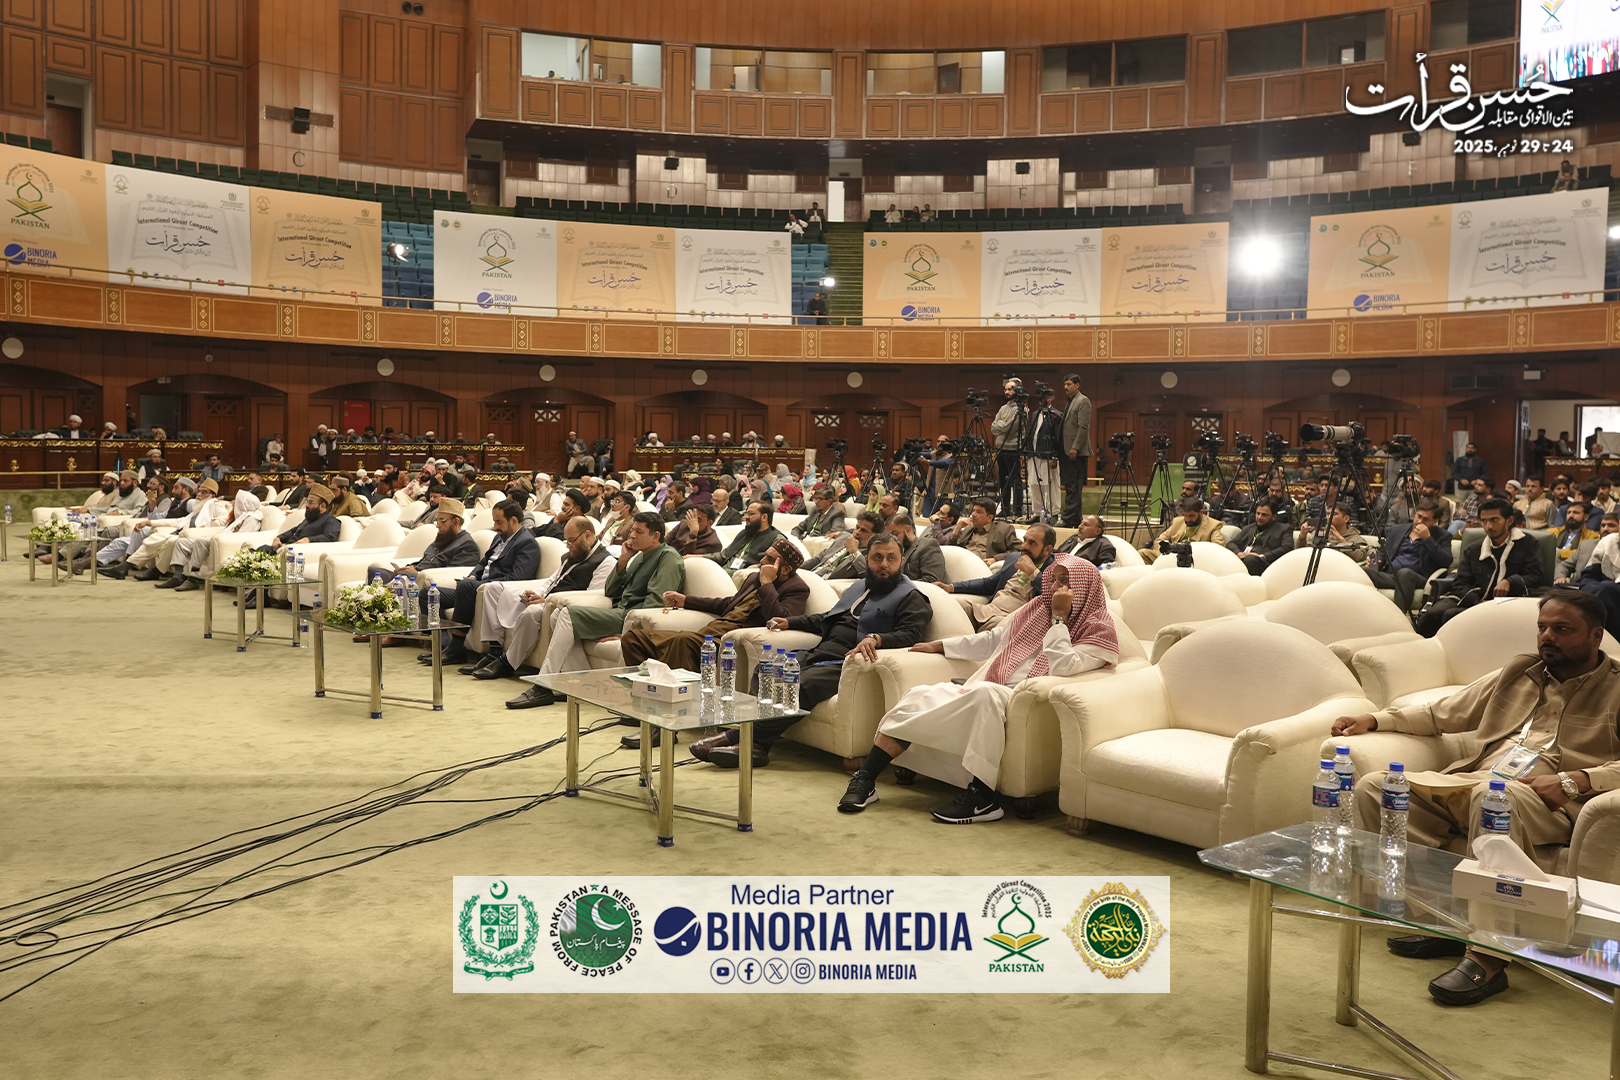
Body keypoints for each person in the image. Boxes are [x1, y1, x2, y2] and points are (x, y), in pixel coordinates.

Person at [1333, 591, 1620, 1006]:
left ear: (1595, 636)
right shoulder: (1520, 671)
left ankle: (1488, 955)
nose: (1547, 637)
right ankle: (1439, 919)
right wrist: (1375, 719)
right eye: (1542, 627)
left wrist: (1578, 779)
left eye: (1562, 629)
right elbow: (1444, 712)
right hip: (1478, 780)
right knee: (1378, 788)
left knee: (1493, 799)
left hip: (1554, 802)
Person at [839, 555, 1120, 821]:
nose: (1056, 587)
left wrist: (1059, 619)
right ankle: (866, 778)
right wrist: (942, 645)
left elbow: (1063, 666)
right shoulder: (1036, 609)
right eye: (1054, 579)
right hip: (988, 685)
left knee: (986, 695)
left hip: (1023, 700)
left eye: (1065, 581)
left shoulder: (1098, 629)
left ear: (1085, 586)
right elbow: (993, 639)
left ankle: (982, 798)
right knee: (918, 695)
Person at [704, 531, 934, 769]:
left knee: (801, 684)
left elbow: (911, 635)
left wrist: (877, 639)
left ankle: (742, 738)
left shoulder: (912, 597)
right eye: (877, 558)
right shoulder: (860, 587)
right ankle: (756, 746)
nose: (884, 564)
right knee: (766, 670)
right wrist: (791, 622)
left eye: (891, 558)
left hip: (848, 662)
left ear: (902, 561)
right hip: (821, 652)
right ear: (867, 560)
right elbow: (830, 617)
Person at [618, 541, 811, 746]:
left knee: (683, 641)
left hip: (726, 644)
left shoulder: (796, 588)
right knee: (634, 639)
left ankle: (666, 725)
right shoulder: (753, 578)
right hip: (707, 633)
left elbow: (779, 618)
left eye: (770, 559)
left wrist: (767, 584)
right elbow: (729, 604)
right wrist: (686, 600)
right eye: (765, 555)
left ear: (786, 569)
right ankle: (649, 707)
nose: (762, 561)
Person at [517, 513, 685, 707]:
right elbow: (610, 591)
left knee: (567, 614)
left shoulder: (668, 558)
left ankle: (543, 685)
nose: (632, 536)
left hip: (631, 617)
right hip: (619, 612)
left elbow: (657, 603)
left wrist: (626, 633)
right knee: (557, 614)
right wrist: (623, 561)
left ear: (656, 536)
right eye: (632, 530)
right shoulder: (639, 556)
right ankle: (585, 685)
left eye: (639, 532)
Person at [467, 516, 615, 686]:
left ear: (587, 535)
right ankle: (494, 650)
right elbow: (552, 580)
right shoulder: (574, 554)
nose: (569, 545)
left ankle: (507, 663)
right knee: (493, 589)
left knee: (532, 611)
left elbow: (590, 599)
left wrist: (545, 601)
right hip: (546, 600)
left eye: (572, 540)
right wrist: (535, 594)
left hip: (560, 608)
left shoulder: (606, 562)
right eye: (566, 541)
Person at [430, 500, 541, 665]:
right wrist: (473, 576)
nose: (495, 527)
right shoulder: (499, 537)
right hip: (475, 588)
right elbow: (483, 563)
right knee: (429, 594)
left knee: (466, 586)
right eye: (494, 522)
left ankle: (456, 648)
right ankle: (444, 645)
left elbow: (517, 578)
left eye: (499, 522)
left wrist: (482, 584)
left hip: (495, 591)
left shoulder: (527, 543)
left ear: (514, 520)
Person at [1416, 498, 1544, 637]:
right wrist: (1477, 602)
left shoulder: (1528, 544)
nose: (1488, 526)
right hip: (1473, 599)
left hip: (1508, 603)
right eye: (1484, 521)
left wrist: (1510, 581)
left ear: (1509, 521)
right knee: (1432, 615)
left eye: (1494, 520)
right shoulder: (1474, 549)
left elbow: (1536, 576)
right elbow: (1460, 583)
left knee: (1451, 615)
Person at [940, 524, 1057, 631]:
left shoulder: (1057, 570)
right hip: (987, 611)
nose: (1024, 546)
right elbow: (988, 584)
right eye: (1025, 540)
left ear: (1047, 549)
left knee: (993, 629)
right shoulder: (1014, 558)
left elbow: (1053, 598)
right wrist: (951, 587)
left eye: (1032, 543)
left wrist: (1033, 572)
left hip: (1011, 620)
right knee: (950, 605)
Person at [154, 487, 268, 589]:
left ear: (243, 503)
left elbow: (241, 536)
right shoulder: (239, 517)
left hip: (225, 543)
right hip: (218, 540)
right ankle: (177, 576)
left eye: (236, 502)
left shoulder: (252, 518)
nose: (233, 504)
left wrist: (217, 537)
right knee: (182, 542)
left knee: (201, 541)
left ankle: (193, 579)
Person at [1365, 504, 1451, 612]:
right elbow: (1384, 551)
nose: (1419, 521)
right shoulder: (1397, 530)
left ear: (1435, 521)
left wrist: (1428, 539)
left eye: (1425, 519)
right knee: (1363, 571)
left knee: (1405, 573)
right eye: (1418, 516)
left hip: (1418, 577)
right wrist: (1378, 560)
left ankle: (1398, 615)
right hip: (1391, 575)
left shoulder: (1442, 535)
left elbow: (1446, 560)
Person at [1139, 497, 1224, 562]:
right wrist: (1163, 555)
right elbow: (1159, 540)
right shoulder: (1178, 522)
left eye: (1191, 516)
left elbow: (1218, 546)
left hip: (1195, 560)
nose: (1188, 519)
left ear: (1201, 512)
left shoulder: (1213, 525)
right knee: (1142, 553)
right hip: (1171, 557)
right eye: (1185, 515)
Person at [707, 501, 782, 572]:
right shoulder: (744, 533)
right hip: (723, 571)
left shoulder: (777, 539)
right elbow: (723, 556)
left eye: (751, 514)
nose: (745, 517)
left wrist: (758, 567)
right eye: (746, 513)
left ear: (764, 517)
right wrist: (701, 557)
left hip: (746, 576)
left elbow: (778, 563)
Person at [1059, 374, 1093, 528]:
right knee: (1070, 486)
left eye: (1069, 384)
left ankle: (1067, 518)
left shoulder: (1083, 401)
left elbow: (1083, 427)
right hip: (1066, 450)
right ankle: (1075, 519)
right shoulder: (1071, 401)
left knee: (1073, 487)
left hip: (1076, 452)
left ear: (1077, 385)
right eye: (1065, 384)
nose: (1066, 387)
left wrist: (1075, 447)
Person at [990, 379, 1026, 518]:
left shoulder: (1021, 409)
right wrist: (1002, 425)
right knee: (1003, 481)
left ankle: (1017, 510)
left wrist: (1001, 425)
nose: (1007, 392)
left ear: (1017, 390)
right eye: (1005, 389)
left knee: (1015, 481)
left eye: (1010, 389)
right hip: (1001, 448)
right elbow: (993, 427)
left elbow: (1008, 428)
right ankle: (1005, 509)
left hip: (1013, 448)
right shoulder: (1003, 408)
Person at [1227, 500, 1293, 576]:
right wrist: (1238, 553)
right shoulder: (1248, 528)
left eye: (1264, 515)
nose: (1259, 517)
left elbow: (1287, 547)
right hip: (1244, 558)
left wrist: (1263, 556)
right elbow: (1231, 543)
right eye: (1258, 513)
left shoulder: (1284, 529)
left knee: (1250, 559)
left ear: (1274, 517)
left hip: (1266, 564)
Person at [946, 497, 1017, 565]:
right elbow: (950, 551)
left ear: (990, 517)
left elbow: (1017, 550)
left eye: (979, 512)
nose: (973, 514)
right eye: (973, 511)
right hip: (963, 564)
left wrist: (996, 559)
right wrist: (957, 529)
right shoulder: (968, 530)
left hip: (983, 566)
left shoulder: (1003, 530)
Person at [1297, 502, 1369, 564]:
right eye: (1328, 514)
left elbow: (1360, 557)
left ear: (1346, 518)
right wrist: (1303, 535)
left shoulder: (1355, 538)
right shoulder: (1322, 534)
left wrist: (1341, 540)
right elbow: (1302, 553)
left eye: (1334, 514)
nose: (1329, 517)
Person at [1558, 511, 1618, 583]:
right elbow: (1565, 565)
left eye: (1611, 525)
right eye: (1603, 525)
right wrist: (1560, 577)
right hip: (1580, 584)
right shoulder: (1586, 545)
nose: (1605, 529)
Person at [888, 511, 946, 584]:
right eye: (889, 536)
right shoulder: (894, 550)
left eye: (895, 534)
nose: (892, 540)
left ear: (907, 530)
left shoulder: (928, 545)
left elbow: (932, 580)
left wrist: (899, 586)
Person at [921, 435, 955, 516]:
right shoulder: (934, 453)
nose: (940, 443)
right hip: (929, 490)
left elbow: (943, 463)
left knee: (940, 517)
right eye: (938, 441)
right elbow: (921, 454)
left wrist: (928, 462)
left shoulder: (951, 456)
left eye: (942, 442)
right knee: (926, 516)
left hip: (943, 492)